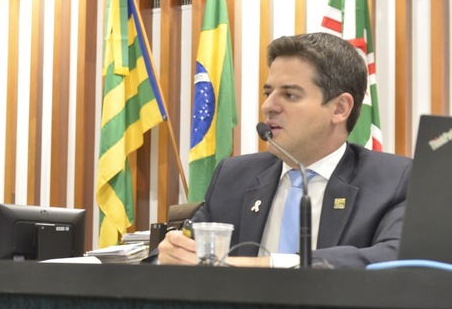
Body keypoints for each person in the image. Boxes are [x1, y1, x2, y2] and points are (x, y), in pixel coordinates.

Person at [159, 32, 411, 269]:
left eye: (290, 95)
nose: (268, 106)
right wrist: (170, 254)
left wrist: (267, 266)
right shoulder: (234, 176)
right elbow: (184, 253)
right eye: (268, 92)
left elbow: (397, 257)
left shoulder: (393, 181)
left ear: (339, 108)